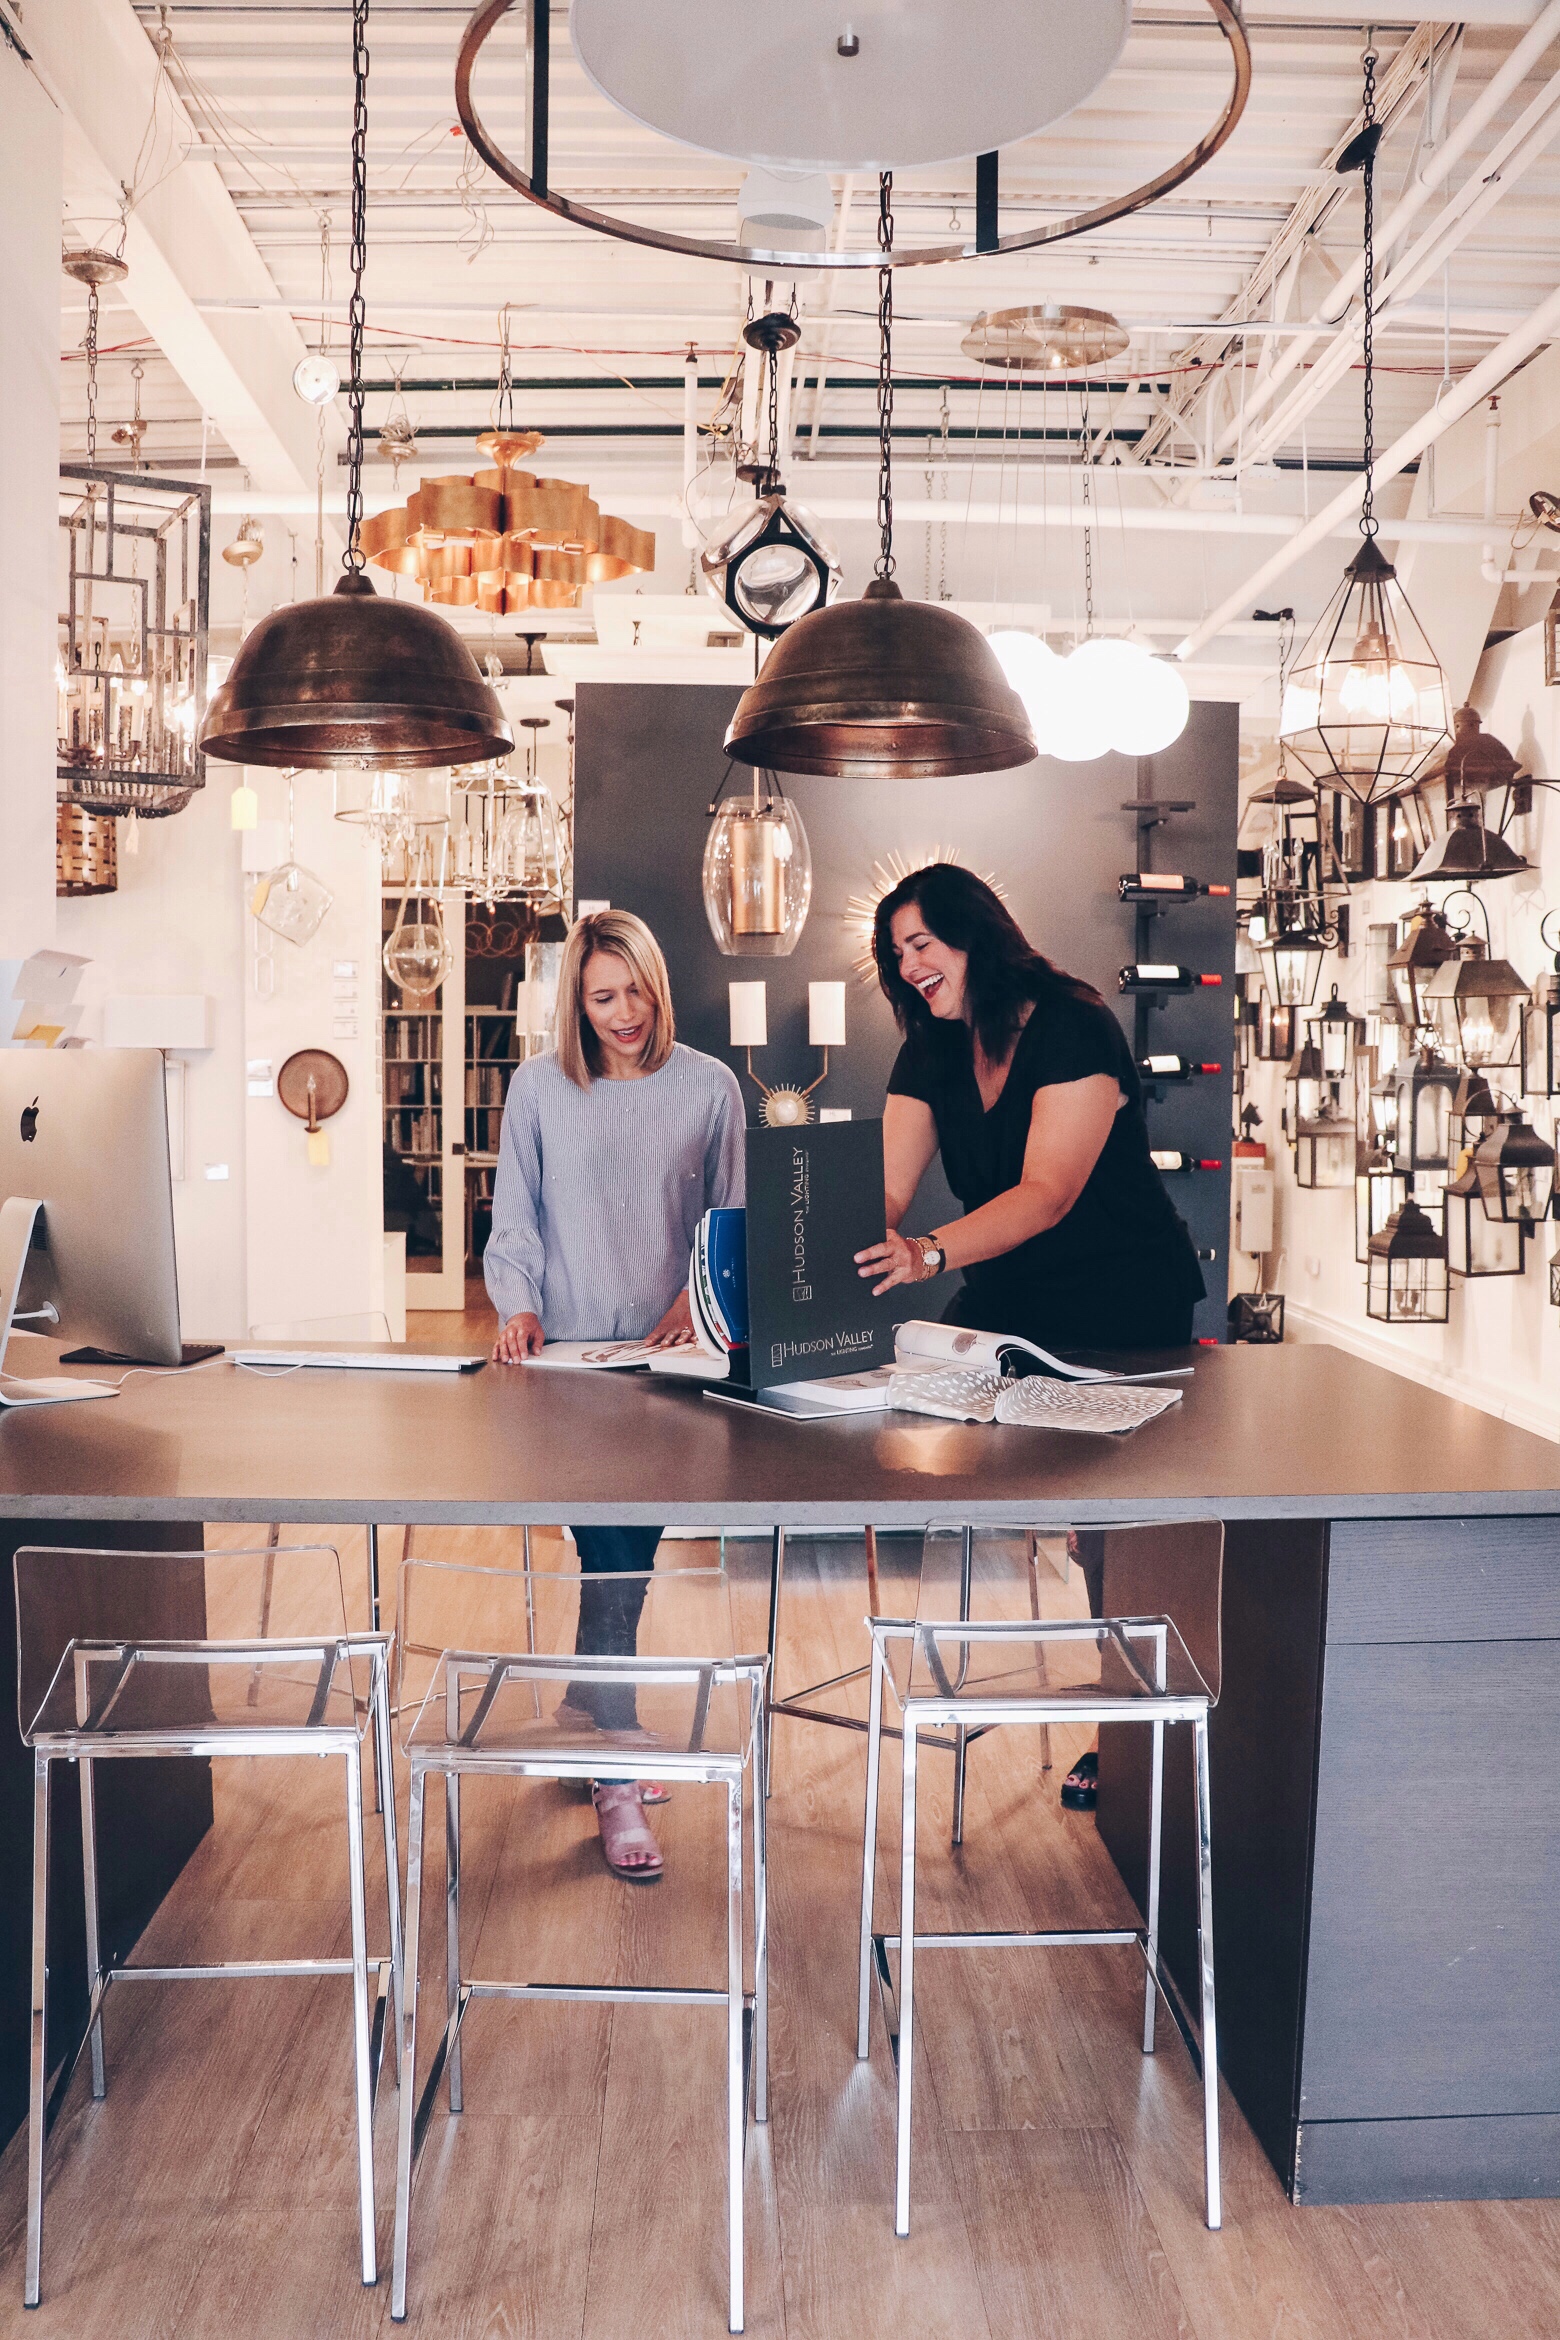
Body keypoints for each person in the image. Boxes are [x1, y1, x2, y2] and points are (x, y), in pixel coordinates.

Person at [853, 863, 1205, 1809]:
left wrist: (924, 1256)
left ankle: (1121, 1735)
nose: (911, 966)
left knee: (1108, 1527)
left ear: (975, 933)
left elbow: (1046, 1196)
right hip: (1012, 1293)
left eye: (922, 944)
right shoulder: (929, 1046)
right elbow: (886, 1191)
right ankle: (936, 1675)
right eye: (897, 956)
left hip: (1124, 1298)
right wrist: (831, 1247)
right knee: (907, 1398)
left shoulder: (1072, 1023)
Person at [485, 909, 745, 1880]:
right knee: (613, 1549)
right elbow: (514, 1216)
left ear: (657, 986)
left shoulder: (710, 1087)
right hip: (566, 1366)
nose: (625, 1012)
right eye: (603, 997)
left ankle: (585, 1714)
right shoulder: (539, 1088)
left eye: (636, 990)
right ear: (577, 1003)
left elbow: (735, 1214)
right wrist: (514, 1305)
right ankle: (613, 1764)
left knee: (627, 1546)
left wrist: (693, 1290)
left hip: (670, 1363)